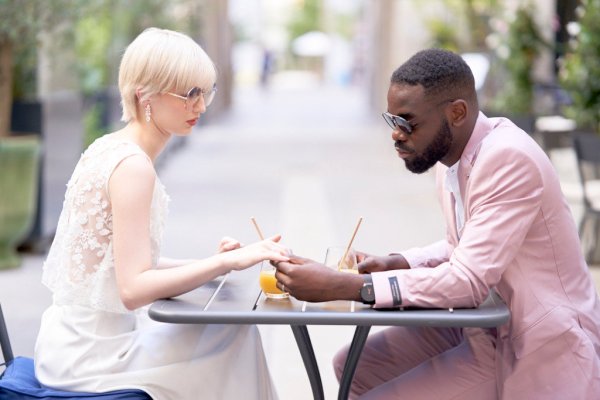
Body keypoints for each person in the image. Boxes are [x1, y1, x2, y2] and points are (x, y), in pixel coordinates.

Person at [274, 48, 600, 399]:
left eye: (407, 122)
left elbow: (468, 279)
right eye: (392, 121)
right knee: (353, 367)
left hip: (530, 342)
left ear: (457, 112)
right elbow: (468, 245)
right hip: (479, 323)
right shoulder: (450, 160)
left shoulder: (508, 158)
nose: (396, 135)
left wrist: (350, 287)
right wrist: (399, 262)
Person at [34, 28, 289, 400]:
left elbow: (119, 261)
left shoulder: (108, 147)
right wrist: (223, 265)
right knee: (234, 333)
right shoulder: (133, 167)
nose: (200, 107)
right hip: (95, 358)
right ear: (145, 96)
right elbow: (133, 289)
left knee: (231, 332)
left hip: (68, 344)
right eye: (189, 94)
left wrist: (217, 262)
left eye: (205, 92)